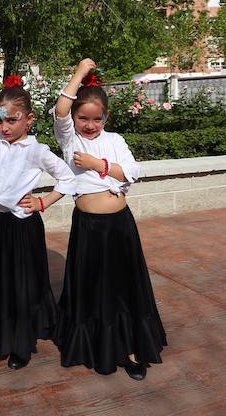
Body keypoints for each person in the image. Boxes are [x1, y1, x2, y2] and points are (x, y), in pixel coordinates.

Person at [51, 58, 166, 380]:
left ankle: (130, 348)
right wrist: (80, 74)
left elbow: (132, 172)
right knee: (92, 288)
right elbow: (60, 110)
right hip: (89, 228)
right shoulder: (70, 140)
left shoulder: (114, 141)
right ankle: (93, 345)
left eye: (96, 118)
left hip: (120, 227)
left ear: (106, 117)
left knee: (122, 287)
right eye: (83, 118)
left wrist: (97, 164)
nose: (90, 124)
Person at [0, 63, 76, 370]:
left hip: (21, 225)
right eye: (0, 120)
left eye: (12, 121)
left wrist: (44, 202)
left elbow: (67, 178)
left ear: (29, 119)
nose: (4, 127)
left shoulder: (36, 150)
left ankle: (19, 342)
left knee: (19, 284)